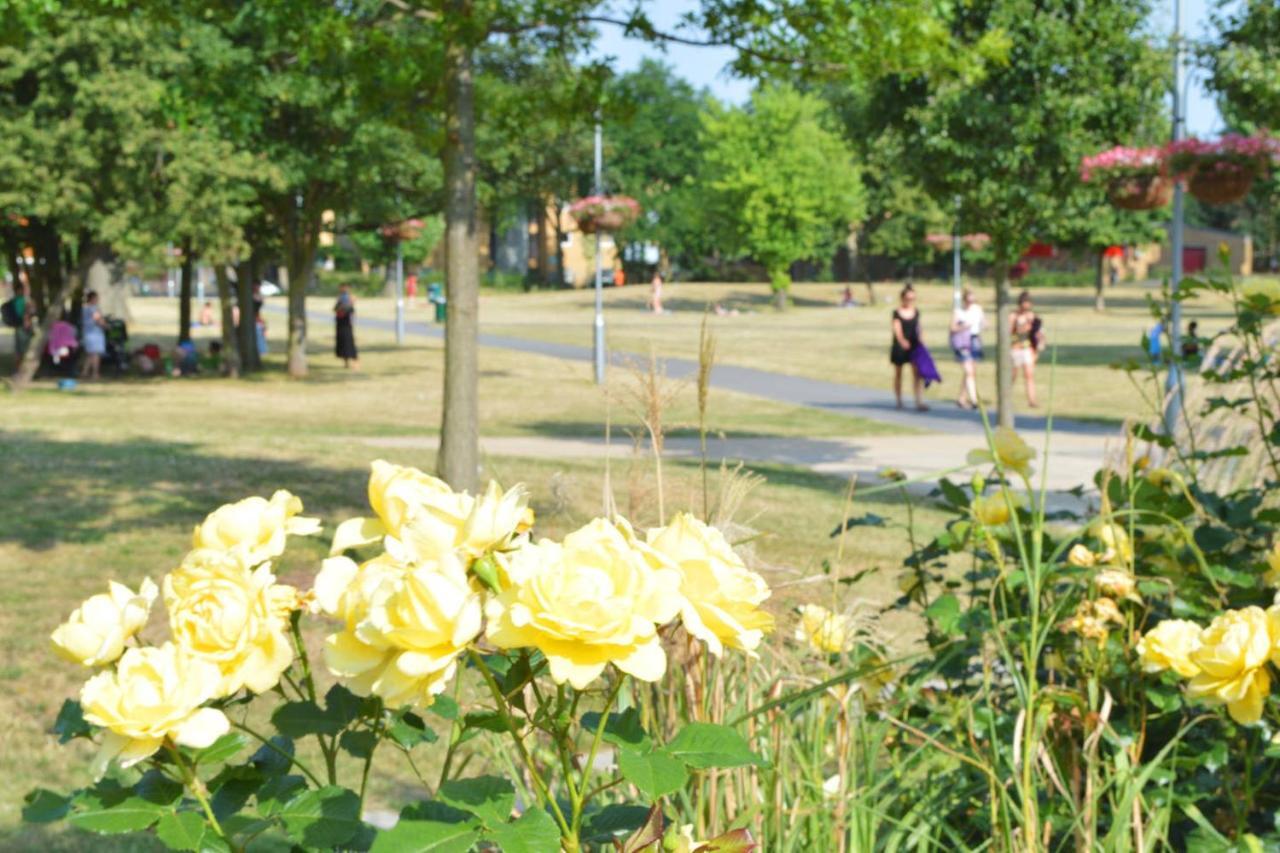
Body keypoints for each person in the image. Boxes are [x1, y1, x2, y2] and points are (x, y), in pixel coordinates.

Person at [890, 284, 928, 411]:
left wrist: (922, 341)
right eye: (908, 298)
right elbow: (897, 329)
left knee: (917, 374)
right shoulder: (897, 312)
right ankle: (899, 400)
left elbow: (919, 328)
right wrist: (902, 341)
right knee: (898, 373)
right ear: (902, 298)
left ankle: (919, 400)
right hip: (900, 347)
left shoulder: (916, 312)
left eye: (912, 298)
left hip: (914, 345)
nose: (910, 301)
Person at [949, 288, 985, 409]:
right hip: (962, 342)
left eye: (972, 301)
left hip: (975, 341)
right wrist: (963, 326)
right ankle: (974, 400)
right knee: (968, 371)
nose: (971, 303)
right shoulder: (958, 312)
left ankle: (961, 398)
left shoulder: (977, 310)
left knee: (970, 372)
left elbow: (984, 323)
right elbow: (952, 328)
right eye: (968, 301)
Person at [1010, 290, 1039, 408]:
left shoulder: (1032, 317)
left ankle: (1032, 400)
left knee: (1029, 375)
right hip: (1015, 348)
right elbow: (1008, 333)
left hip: (1027, 348)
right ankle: (1006, 397)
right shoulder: (1014, 316)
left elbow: (1036, 334)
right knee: (1013, 375)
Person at [79, 290, 107, 380]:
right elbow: (98, 319)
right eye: (96, 298)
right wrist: (106, 326)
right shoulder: (93, 308)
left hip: (87, 333)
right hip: (94, 334)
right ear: (92, 298)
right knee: (95, 354)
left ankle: (84, 372)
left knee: (90, 355)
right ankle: (95, 373)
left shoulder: (84, 308)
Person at [334, 283, 359, 369]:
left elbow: (350, 310)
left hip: (347, 324)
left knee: (349, 343)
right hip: (340, 323)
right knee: (342, 343)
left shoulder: (348, 298)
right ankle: (346, 363)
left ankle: (355, 362)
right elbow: (336, 309)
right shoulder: (341, 298)